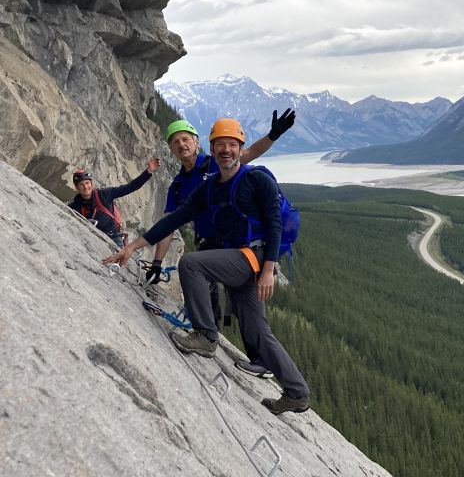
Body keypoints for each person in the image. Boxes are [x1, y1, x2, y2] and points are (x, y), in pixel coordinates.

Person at [104, 118, 310, 415]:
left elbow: (274, 223)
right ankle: (296, 392)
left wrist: (268, 270)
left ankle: (206, 337)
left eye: (232, 145)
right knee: (256, 331)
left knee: (192, 265)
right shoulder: (209, 187)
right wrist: (134, 247)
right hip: (233, 258)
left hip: (251, 258)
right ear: (212, 150)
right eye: (220, 145)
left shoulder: (256, 180)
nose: (226, 150)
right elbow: (175, 219)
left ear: (239, 148)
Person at [149, 110, 295, 379]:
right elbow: (170, 222)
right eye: (175, 142)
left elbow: (247, 154)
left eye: (185, 139)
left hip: (233, 245)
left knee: (242, 301)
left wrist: (273, 136)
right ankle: (207, 337)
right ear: (171, 149)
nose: (181, 145)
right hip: (209, 245)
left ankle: (259, 359)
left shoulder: (214, 163)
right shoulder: (178, 185)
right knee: (210, 299)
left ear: (196, 142)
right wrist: (157, 262)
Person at [69, 158, 161, 248]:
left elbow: (130, 187)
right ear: (77, 187)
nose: (85, 187)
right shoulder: (75, 206)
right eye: (81, 184)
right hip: (92, 240)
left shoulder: (104, 194)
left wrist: (148, 171)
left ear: (91, 184)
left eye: (87, 183)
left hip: (114, 238)